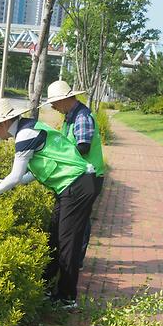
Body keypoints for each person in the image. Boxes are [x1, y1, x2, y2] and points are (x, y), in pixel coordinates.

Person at [0, 98, 97, 309]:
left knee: (67, 242)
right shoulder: (28, 129)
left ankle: (66, 298)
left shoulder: (25, 134)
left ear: (4, 122)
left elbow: (15, 176)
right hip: (70, 187)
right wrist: (6, 184)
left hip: (77, 186)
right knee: (54, 237)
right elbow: (30, 174)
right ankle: (48, 289)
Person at [45, 80, 105, 267]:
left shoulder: (81, 117)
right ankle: (74, 258)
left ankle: (76, 260)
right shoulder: (71, 116)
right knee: (79, 220)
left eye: (54, 103)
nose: (53, 107)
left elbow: (83, 147)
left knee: (79, 222)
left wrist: (59, 157)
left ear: (65, 100)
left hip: (88, 176)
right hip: (79, 176)